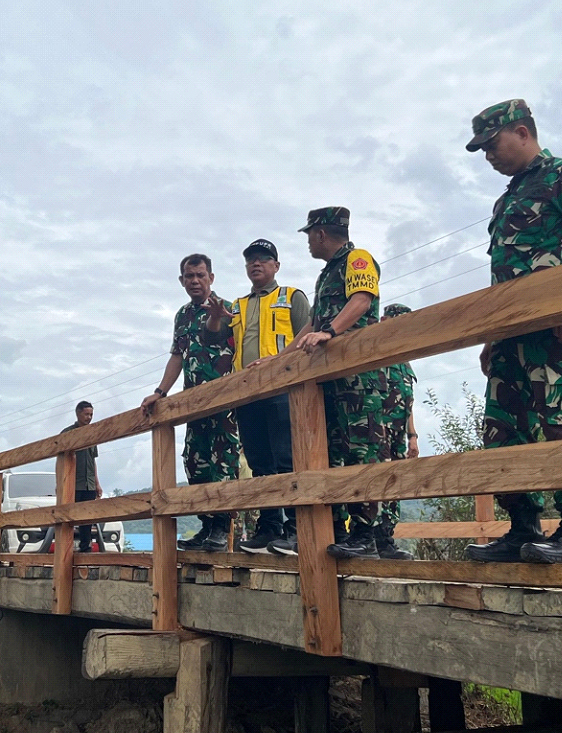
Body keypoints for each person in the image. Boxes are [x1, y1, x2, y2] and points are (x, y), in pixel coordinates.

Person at [462, 100, 562, 565]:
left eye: (492, 144)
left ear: (521, 132)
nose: (488, 155)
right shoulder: (507, 199)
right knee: (503, 428)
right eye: (482, 149)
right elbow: (504, 273)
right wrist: (491, 336)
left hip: (557, 325)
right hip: (509, 333)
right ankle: (522, 529)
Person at [269, 207, 391, 559]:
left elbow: (362, 300)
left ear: (321, 233)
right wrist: (279, 359)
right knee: (331, 456)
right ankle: (336, 533)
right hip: (331, 382)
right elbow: (312, 326)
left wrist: (331, 332)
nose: (308, 242)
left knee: (361, 451)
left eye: (309, 235)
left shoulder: (357, 259)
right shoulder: (327, 274)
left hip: (358, 380)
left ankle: (366, 535)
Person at [141, 254, 242, 552]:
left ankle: (221, 528)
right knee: (195, 462)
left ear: (211, 277)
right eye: (189, 276)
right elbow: (177, 355)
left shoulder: (229, 309)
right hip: (192, 404)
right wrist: (160, 392)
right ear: (181, 280)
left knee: (223, 463)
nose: (195, 281)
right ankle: (206, 526)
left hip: (224, 402)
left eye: (200, 275)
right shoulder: (182, 315)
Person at [222, 239, 310, 553]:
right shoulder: (237, 306)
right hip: (247, 394)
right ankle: (269, 528)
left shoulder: (292, 297)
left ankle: (296, 530)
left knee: (287, 459)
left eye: (263, 259)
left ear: (276, 265)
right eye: (250, 260)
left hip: (282, 389)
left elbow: (308, 338)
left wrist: (279, 362)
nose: (256, 264)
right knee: (260, 464)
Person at [374, 303, 419, 561]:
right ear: (384, 320)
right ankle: (375, 539)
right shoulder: (377, 352)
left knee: (396, 485)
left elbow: (409, 402)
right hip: (378, 431)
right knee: (379, 482)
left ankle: (387, 538)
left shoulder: (405, 360)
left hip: (399, 436)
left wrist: (413, 436)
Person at [58, 400, 103, 552]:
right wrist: (60, 483)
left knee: (87, 518)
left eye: (91, 414)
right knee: (69, 517)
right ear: (78, 414)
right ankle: (65, 550)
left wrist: (97, 483)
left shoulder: (92, 434)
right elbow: (60, 460)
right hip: (73, 483)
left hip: (89, 484)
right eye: (86, 414)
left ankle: (85, 550)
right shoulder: (67, 433)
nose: (89, 417)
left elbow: (93, 461)